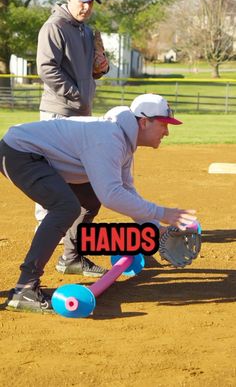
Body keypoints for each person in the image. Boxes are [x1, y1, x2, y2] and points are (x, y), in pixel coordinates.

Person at [0, 93, 197, 313]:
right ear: (144, 122)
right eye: (163, 124)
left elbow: (125, 189)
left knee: (90, 197)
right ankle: (24, 288)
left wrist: (155, 228)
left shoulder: (123, 140)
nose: (167, 132)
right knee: (65, 207)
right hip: (21, 153)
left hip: (38, 154)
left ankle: (71, 258)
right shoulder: (109, 139)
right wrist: (163, 212)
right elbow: (111, 195)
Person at [36, 0, 109, 277]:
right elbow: (46, 68)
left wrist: (101, 66)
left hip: (80, 116)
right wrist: (77, 94)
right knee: (56, 180)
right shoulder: (54, 27)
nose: (86, 6)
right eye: (82, 0)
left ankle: (70, 251)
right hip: (58, 115)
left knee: (83, 183)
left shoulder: (86, 30)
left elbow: (93, 71)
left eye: (91, 1)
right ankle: (46, 235)